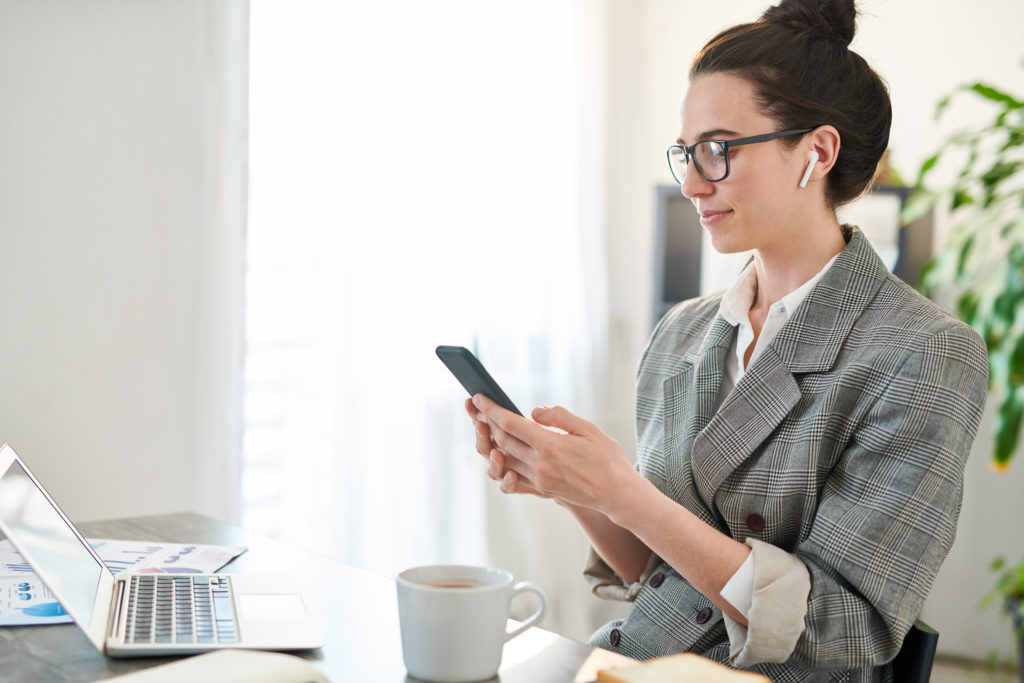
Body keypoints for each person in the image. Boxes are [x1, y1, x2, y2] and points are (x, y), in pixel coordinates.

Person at [464, 0, 989, 680]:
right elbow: (665, 580)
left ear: (817, 152)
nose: (690, 182)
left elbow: (844, 627)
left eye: (717, 150)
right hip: (638, 663)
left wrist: (625, 492)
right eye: (688, 152)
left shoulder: (924, 352)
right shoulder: (682, 332)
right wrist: (570, 484)